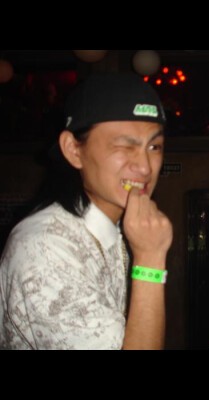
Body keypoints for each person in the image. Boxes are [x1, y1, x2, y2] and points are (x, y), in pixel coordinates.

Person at [0, 73, 173, 350]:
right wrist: (150, 260)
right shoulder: (43, 248)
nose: (145, 167)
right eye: (124, 145)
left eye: (154, 146)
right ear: (73, 150)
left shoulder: (123, 229)